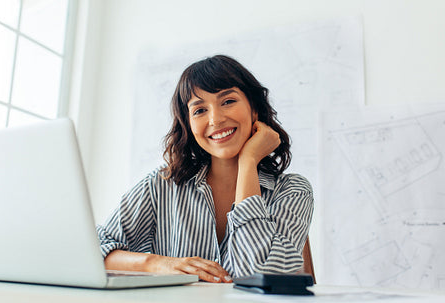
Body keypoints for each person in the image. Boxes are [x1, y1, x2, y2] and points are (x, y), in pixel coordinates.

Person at [96, 55, 313, 283]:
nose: (215, 119)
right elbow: (94, 251)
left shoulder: (293, 191)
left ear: (254, 110)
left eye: (228, 101)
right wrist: (158, 263)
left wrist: (248, 162)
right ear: (188, 124)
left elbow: (261, 276)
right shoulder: (161, 184)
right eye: (199, 110)